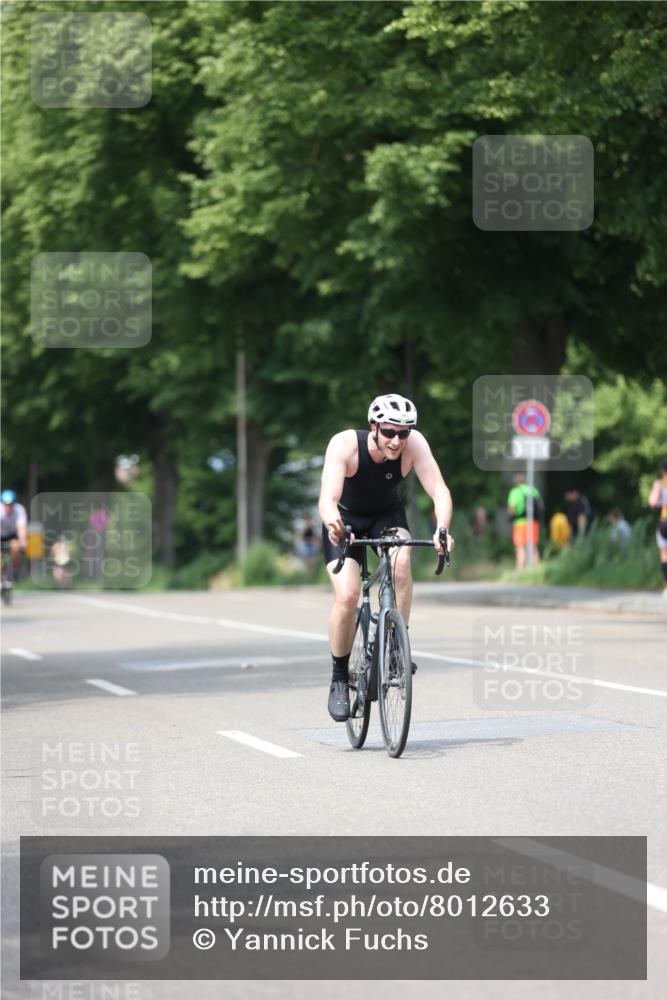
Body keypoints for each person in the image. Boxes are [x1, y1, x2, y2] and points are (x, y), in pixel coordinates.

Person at [318, 393, 454, 721]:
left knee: (402, 559)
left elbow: (439, 490)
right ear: (374, 427)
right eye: (390, 432)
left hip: (385, 515)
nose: (397, 441)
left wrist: (442, 529)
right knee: (348, 596)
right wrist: (334, 524)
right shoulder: (345, 445)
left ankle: (395, 646)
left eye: (403, 433)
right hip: (345, 519)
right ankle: (339, 677)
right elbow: (327, 498)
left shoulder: (414, 445)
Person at [506, 473, 544, 569]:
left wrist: (510, 516)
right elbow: (541, 506)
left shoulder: (515, 491)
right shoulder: (533, 490)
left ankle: (520, 571)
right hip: (533, 523)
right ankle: (536, 571)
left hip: (520, 523)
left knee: (520, 548)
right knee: (533, 547)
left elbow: (511, 509)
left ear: (516, 482)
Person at [1, 490, 28, 586]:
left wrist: (23, 540)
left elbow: (21, 527)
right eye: (5, 504)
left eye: (10, 504)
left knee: (16, 547)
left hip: (11, 534)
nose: (8, 507)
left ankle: (12, 571)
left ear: (14, 503)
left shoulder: (19, 509)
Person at [648, 460, 667, 596]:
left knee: (665, 555)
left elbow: (653, 502)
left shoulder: (660, 483)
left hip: (665, 521)